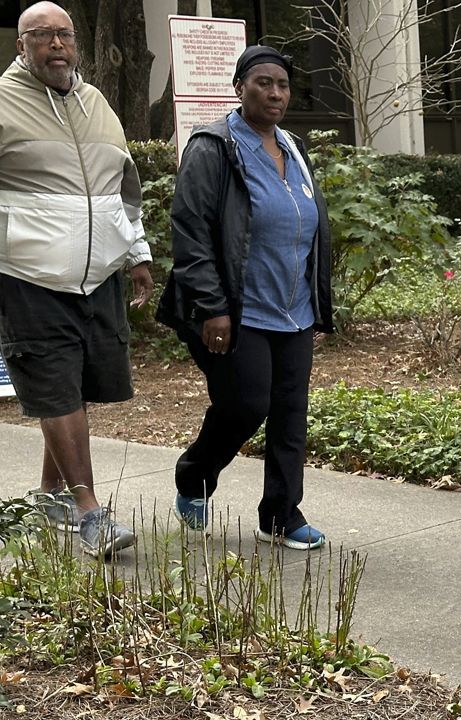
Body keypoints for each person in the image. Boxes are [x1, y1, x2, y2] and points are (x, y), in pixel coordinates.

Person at [0, 1, 153, 558]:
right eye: (42, 36)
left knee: (73, 389)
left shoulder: (96, 103)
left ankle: (50, 494)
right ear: (21, 45)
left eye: (65, 35)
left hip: (97, 276)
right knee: (55, 388)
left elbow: (120, 191)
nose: (57, 44)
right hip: (25, 276)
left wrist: (137, 252)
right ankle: (90, 512)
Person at [156, 45, 335, 550]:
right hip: (239, 309)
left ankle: (281, 514)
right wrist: (212, 306)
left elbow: (309, 224)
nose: (275, 92)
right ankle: (195, 473)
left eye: (282, 84)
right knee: (245, 404)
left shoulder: (293, 147)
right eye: (263, 82)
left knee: (289, 415)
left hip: (293, 307)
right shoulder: (213, 147)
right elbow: (190, 231)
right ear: (240, 88)